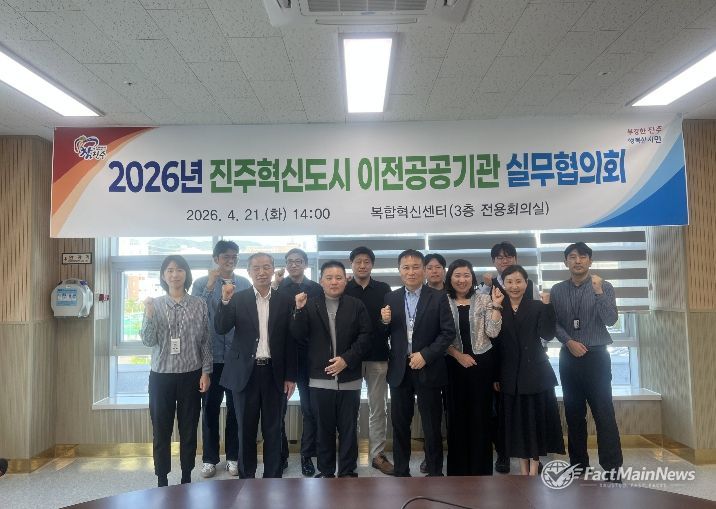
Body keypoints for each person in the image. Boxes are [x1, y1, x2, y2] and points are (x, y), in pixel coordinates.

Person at [216, 253, 297, 479]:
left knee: (273, 429)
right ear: (249, 271)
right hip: (245, 373)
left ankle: (273, 478)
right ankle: (247, 479)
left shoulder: (285, 300)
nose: (261, 272)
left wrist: (291, 376)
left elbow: (291, 340)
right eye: (256, 268)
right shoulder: (237, 298)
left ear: (273, 269)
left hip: (274, 373)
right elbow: (221, 327)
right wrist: (224, 301)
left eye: (266, 267)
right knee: (245, 429)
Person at [291, 261, 373, 478]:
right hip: (320, 378)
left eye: (338, 277)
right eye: (329, 278)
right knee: (323, 429)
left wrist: (346, 359)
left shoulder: (356, 305)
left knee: (348, 429)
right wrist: (299, 310)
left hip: (350, 378)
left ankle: (347, 471)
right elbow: (298, 335)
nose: (334, 282)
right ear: (321, 281)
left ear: (345, 280)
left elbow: (366, 337)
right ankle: (326, 472)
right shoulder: (310, 304)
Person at [549, 242, 623, 481]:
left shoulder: (604, 286)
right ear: (566, 262)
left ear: (590, 261)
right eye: (572, 257)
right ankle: (578, 466)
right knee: (573, 414)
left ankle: (612, 468)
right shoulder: (557, 290)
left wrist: (599, 292)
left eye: (582, 257)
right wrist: (569, 341)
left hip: (597, 357)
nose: (577, 261)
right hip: (569, 357)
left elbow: (610, 320)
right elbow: (553, 322)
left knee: (604, 413)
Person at [382, 249, 455, 477]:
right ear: (399, 271)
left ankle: (435, 472)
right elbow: (385, 335)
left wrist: (425, 355)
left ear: (423, 270)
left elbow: (448, 332)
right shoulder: (391, 298)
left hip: (428, 367)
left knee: (432, 426)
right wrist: (384, 323)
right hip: (400, 370)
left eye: (416, 267)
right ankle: (401, 471)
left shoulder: (438, 297)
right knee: (400, 425)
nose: (411, 272)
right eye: (406, 267)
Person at [141, 255, 212, 487]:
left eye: (180, 270)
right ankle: (162, 478)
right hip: (161, 376)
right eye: (170, 270)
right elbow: (148, 341)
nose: (175, 274)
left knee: (189, 429)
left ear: (186, 274)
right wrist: (149, 314)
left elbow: (205, 341)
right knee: (161, 429)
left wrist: (206, 372)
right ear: (163, 275)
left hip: (191, 375)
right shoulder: (154, 304)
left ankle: (186, 476)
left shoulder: (199, 304)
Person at [494, 265, 564, 476]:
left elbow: (547, 334)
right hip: (510, 376)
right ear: (503, 284)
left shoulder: (537, 306)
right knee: (517, 425)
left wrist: (548, 306)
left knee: (534, 423)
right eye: (509, 282)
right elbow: (495, 345)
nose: (514, 286)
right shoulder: (497, 307)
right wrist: (495, 376)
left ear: (527, 283)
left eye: (519, 281)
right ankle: (523, 470)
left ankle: (533, 470)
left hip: (535, 375)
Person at [478, 241, 540, 474]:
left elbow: (539, 322)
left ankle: (532, 454)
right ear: (494, 261)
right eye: (500, 257)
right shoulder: (485, 287)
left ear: (515, 259)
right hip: (498, 357)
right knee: (501, 411)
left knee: (528, 411)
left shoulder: (529, 285)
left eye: (508, 256)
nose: (504, 261)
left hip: (528, 359)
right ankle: (503, 454)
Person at [192, 240, 251, 478]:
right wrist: (210, 285)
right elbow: (196, 312)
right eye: (226, 256)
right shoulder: (201, 283)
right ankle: (209, 459)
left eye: (234, 256)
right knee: (210, 409)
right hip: (210, 357)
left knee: (236, 410)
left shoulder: (244, 283)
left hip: (236, 357)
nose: (230, 260)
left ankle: (234, 457)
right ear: (216, 259)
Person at [444, 259, 503, 476]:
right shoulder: (442, 301)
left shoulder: (484, 299)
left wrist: (496, 305)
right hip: (452, 365)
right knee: (456, 417)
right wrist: (458, 355)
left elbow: (493, 332)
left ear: (472, 277)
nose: (462, 280)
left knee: (481, 418)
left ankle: (481, 470)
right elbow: (437, 336)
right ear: (450, 278)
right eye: (457, 275)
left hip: (481, 367)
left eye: (466, 275)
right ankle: (458, 471)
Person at [273, 247, 323, 476]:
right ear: (286, 265)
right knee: (278, 409)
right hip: (283, 356)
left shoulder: (316, 289)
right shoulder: (278, 289)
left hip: (308, 356)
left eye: (298, 261)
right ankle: (281, 455)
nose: (294, 265)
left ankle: (306, 455)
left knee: (310, 409)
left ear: (305, 264)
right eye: (290, 261)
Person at [344, 246, 394, 475]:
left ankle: (377, 455)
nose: (362, 265)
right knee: (349, 410)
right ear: (351, 264)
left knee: (378, 408)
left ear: (372, 264)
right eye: (358, 261)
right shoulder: (344, 288)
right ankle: (349, 455)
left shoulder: (383, 289)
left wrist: (386, 322)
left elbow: (391, 324)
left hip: (378, 356)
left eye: (366, 261)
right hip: (350, 358)